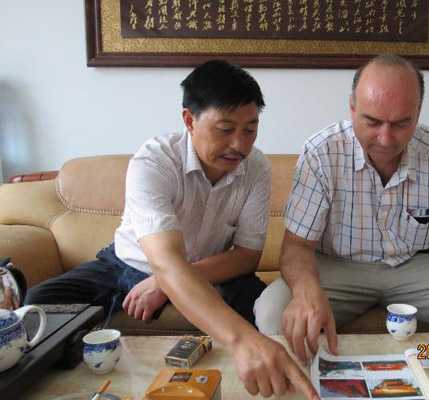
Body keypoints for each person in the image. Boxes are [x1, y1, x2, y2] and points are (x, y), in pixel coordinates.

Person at [26, 60, 319, 399]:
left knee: (260, 305)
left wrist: (164, 282)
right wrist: (168, 278)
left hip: (210, 270)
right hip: (128, 264)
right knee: (40, 305)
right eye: (225, 129)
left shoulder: (256, 168)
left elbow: (247, 256)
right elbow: (165, 261)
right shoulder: (154, 162)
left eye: (250, 130)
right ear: (189, 120)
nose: (239, 145)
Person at [254, 54, 429, 378]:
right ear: (352, 109)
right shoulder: (321, 152)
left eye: (401, 124)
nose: (386, 139)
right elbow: (297, 246)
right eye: (372, 122)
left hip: (416, 265)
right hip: (336, 267)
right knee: (272, 312)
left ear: (418, 113)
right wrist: (306, 291)